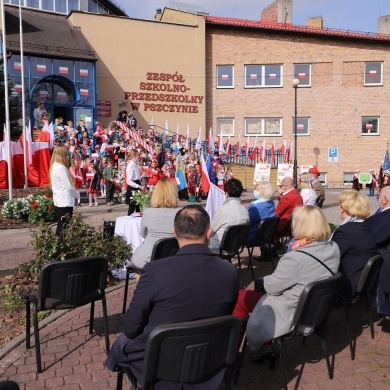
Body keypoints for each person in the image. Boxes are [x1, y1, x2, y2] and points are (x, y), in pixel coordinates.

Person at [105, 205, 239, 389]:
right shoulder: (230, 271)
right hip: (209, 357)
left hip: (160, 362)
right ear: (209, 233)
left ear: (174, 232)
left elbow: (131, 328)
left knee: (121, 343)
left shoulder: (155, 271)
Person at [233, 205, 340, 361]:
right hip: (313, 309)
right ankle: (264, 344)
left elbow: (271, 287)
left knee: (241, 296)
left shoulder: (295, 258)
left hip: (291, 311)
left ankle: (236, 351)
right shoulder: (333, 248)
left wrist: (267, 278)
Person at [330, 190, 377, 297]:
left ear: (344, 209)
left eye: (339, 205)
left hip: (347, 283)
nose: (338, 209)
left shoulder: (346, 231)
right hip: (360, 279)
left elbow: (329, 257)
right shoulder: (365, 226)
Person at [131, 178, 181, 269]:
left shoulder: (148, 212)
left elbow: (143, 234)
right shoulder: (182, 213)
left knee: (137, 258)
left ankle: (143, 282)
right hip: (174, 256)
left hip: (149, 258)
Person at [209, 178, 249, 253]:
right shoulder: (245, 210)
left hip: (218, 247)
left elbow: (210, 232)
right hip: (236, 246)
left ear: (226, 193)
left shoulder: (222, 210)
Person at [49, 145, 80, 236]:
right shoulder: (61, 168)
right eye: (66, 154)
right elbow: (69, 186)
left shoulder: (54, 166)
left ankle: (58, 246)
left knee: (61, 225)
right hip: (65, 200)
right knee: (64, 227)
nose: (68, 156)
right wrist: (77, 195)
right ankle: (60, 247)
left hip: (59, 199)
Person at [125, 149, 145, 215]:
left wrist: (142, 176)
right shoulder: (130, 166)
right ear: (134, 155)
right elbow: (129, 180)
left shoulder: (135, 165)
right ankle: (128, 222)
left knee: (138, 207)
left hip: (137, 185)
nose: (139, 157)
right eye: (137, 155)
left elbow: (136, 177)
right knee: (132, 207)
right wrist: (139, 186)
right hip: (133, 188)